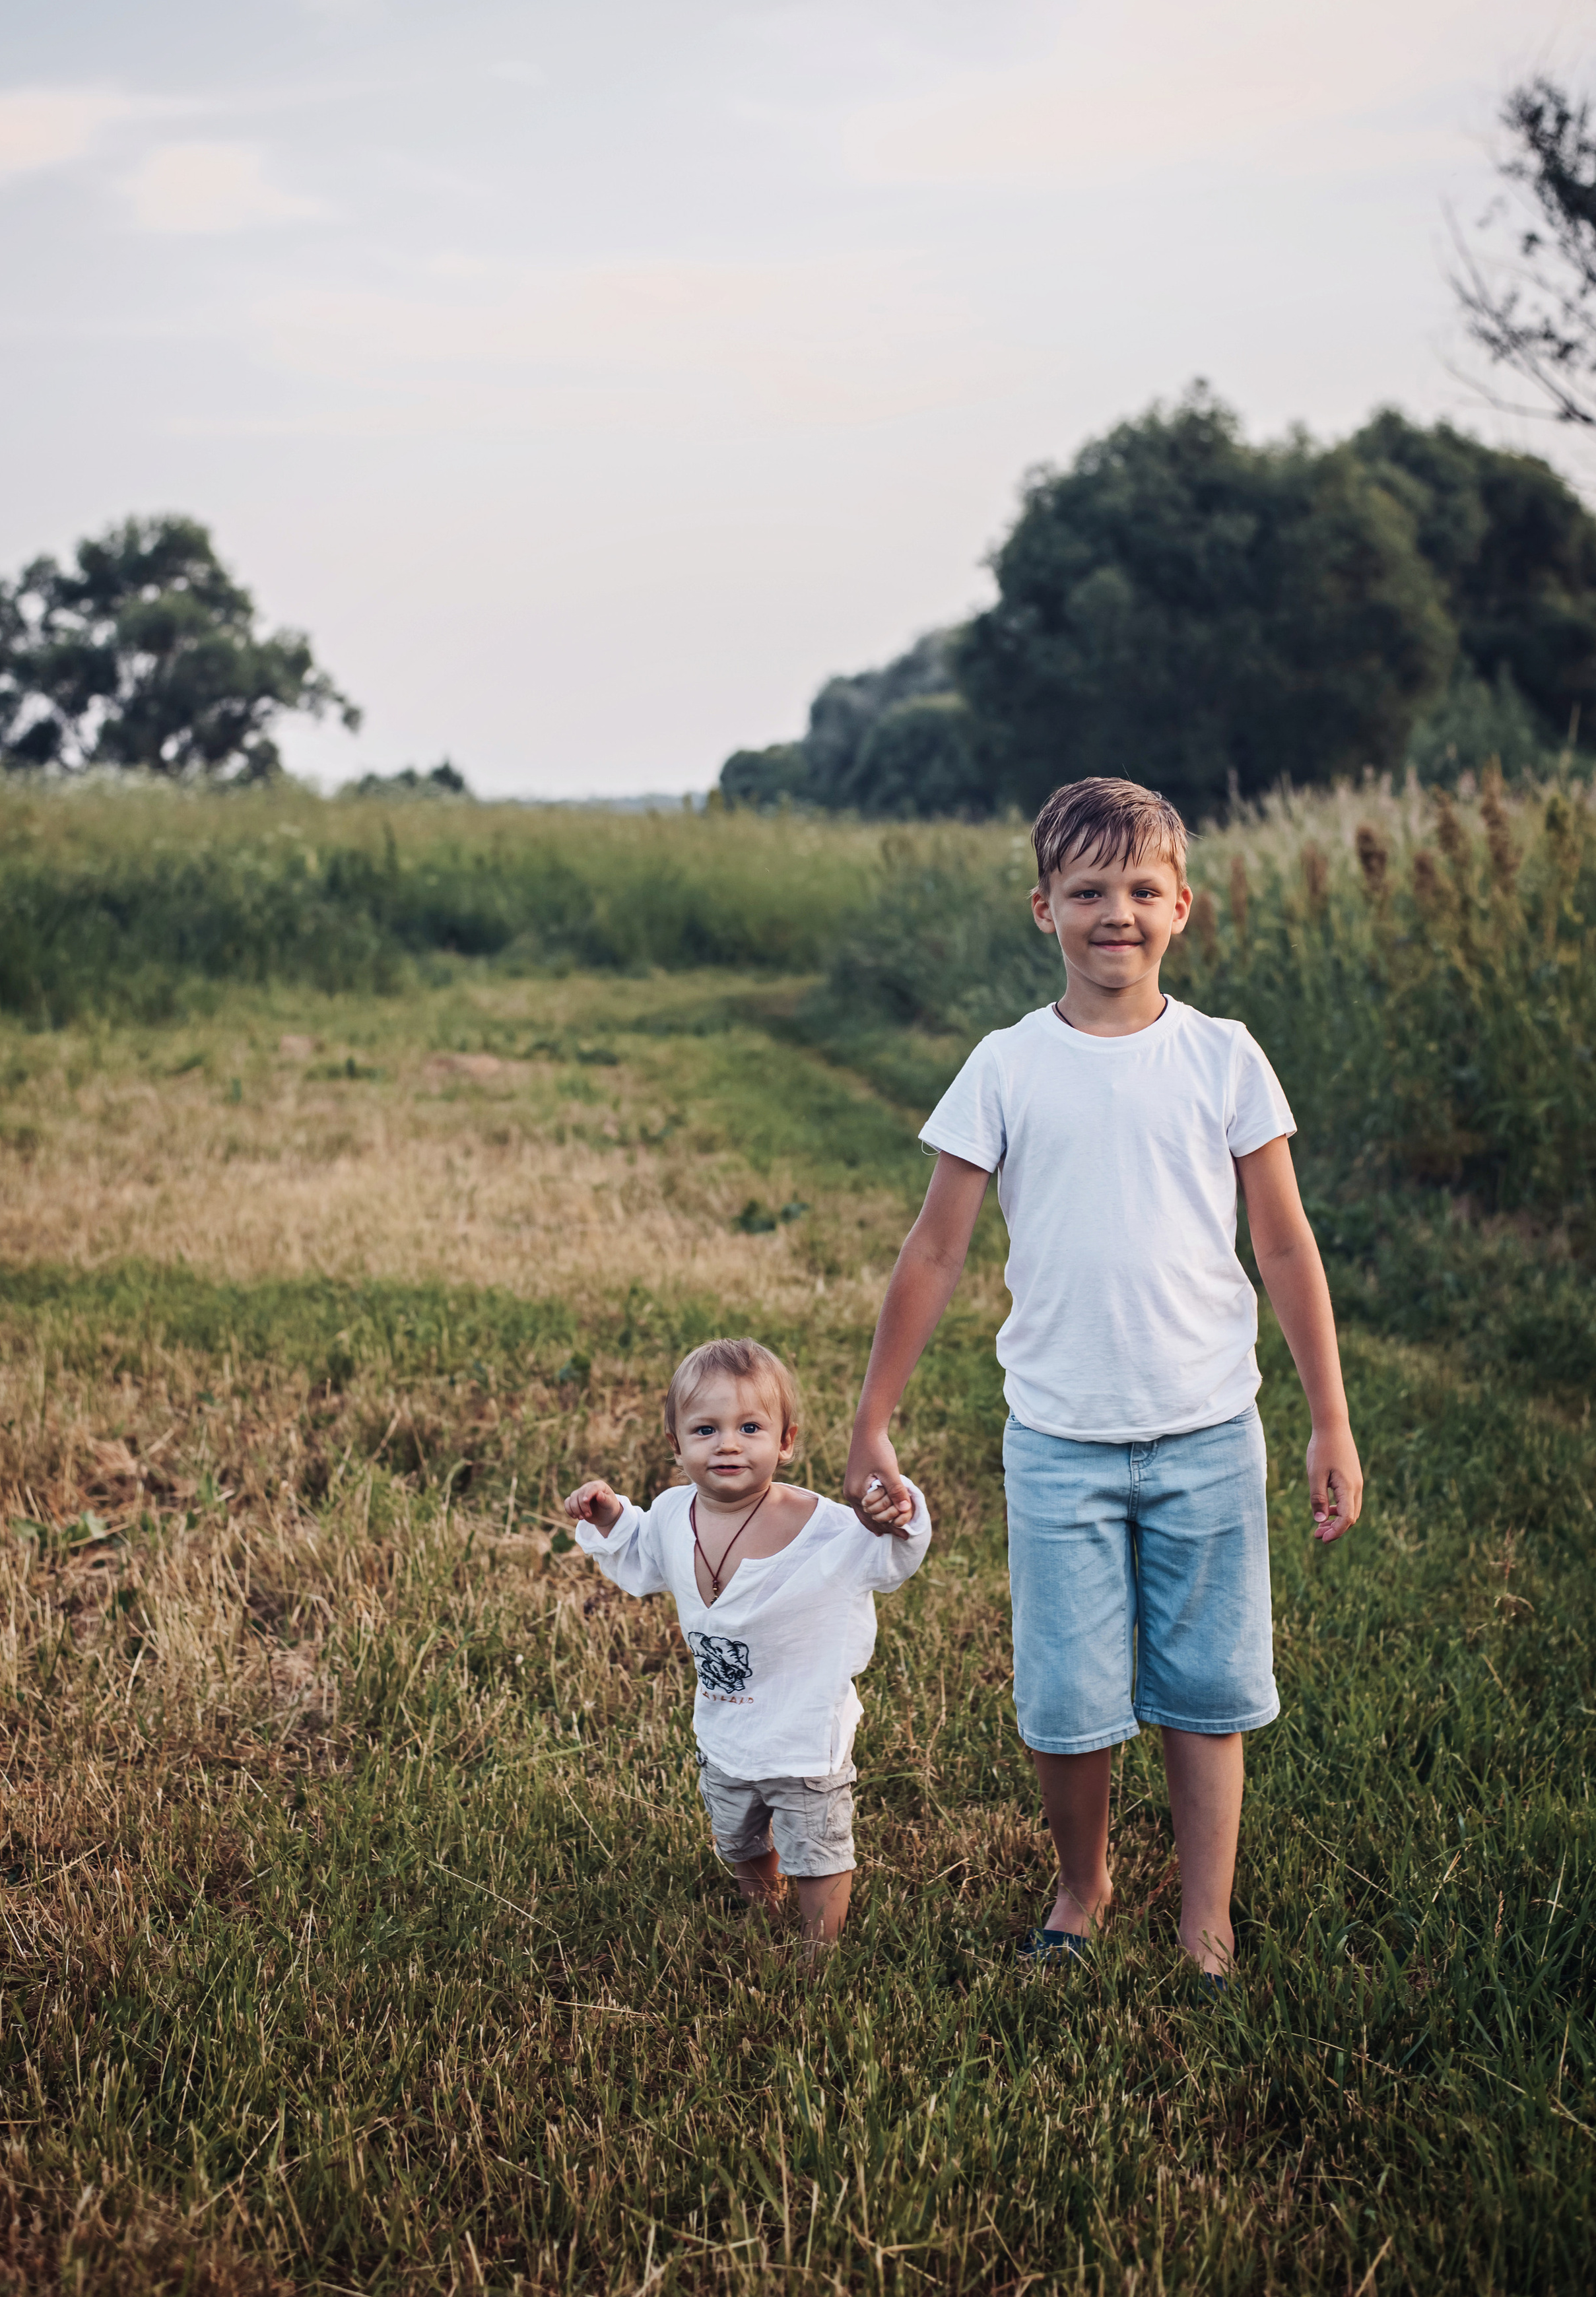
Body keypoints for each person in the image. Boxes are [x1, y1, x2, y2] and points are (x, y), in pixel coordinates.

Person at [843, 776, 1362, 1983]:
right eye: (1086, 891)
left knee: (1207, 1689)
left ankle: (1205, 1920)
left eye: (1140, 888)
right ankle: (1082, 1883)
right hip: (1060, 1440)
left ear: (1182, 904)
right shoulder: (1006, 1065)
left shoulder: (1225, 1057)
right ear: (1045, 908)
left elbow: (1285, 1245)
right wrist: (873, 1418)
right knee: (1067, 1699)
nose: (1114, 911)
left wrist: (1328, 1419)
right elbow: (935, 1249)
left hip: (1207, 1432)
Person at [568, 1336, 931, 1960]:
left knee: (815, 1850)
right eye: (705, 1429)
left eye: (750, 1427)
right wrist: (609, 1517)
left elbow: (891, 1555)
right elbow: (643, 1552)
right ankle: (760, 1911)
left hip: (803, 1735)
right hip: (726, 1729)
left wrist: (892, 1513)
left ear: (786, 1442)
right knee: (738, 1837)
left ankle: (818, 1951)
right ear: (676, 1444)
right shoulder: (674, 1513)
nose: (728, 1444)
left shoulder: (827, 1529)